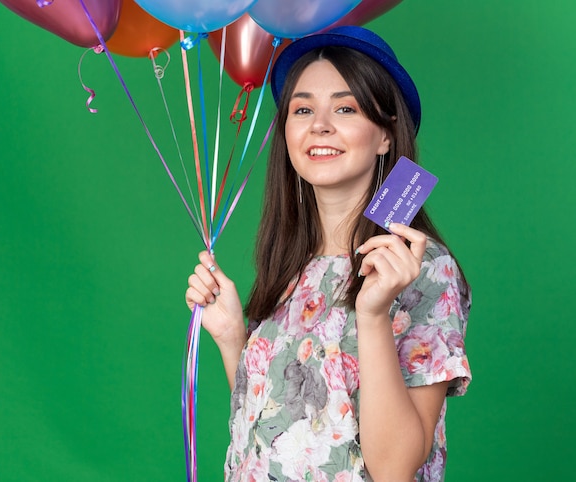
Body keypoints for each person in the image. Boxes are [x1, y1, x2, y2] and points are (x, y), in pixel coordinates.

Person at [186, 26, 472, 482]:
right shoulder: (291, 266)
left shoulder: (421, 268)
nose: (320, 125)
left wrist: (373, 315)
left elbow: (395, 469)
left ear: (384, 135)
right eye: (303, 109)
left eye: (345, 107)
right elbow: (278, 429)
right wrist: (232, 339)